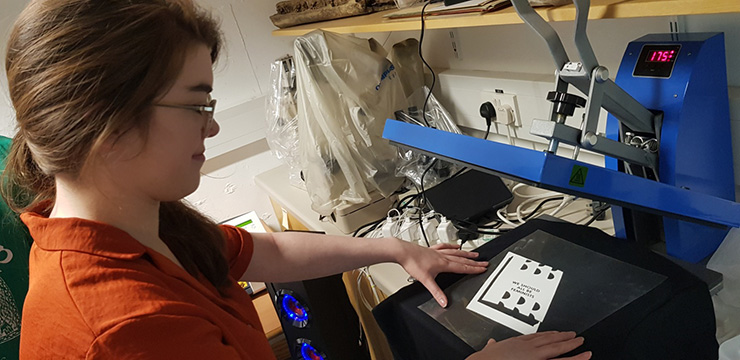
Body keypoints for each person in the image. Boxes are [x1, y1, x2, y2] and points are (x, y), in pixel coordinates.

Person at [1, 0, 591, 359]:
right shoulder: (127, 332)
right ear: (109, 125)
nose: (211, 128)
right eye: (196, 104)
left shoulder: (138, 228)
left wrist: (397, 249)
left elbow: (270, 252)